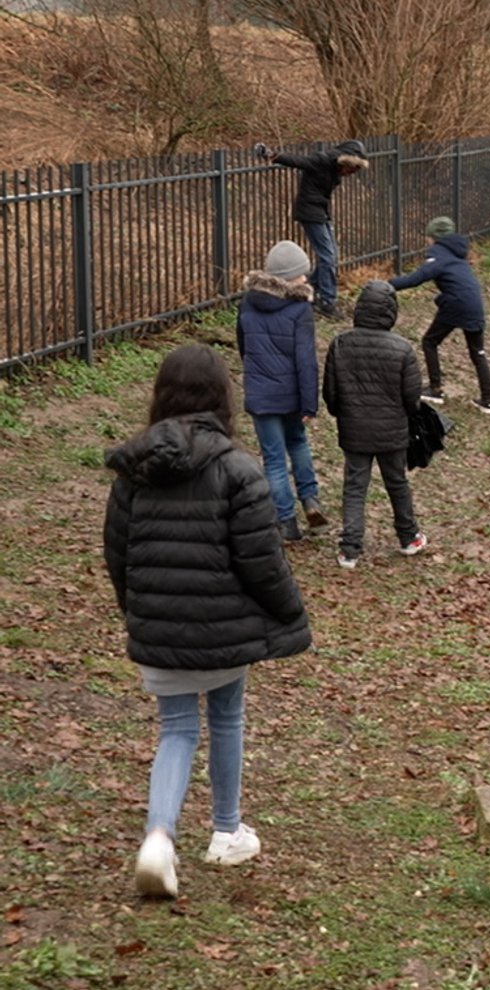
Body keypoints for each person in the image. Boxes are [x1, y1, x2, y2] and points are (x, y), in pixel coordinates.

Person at [105, 344, 311, 898]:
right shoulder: (237, 470)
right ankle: (225, 830)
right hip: (225, 630)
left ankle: (158, 837)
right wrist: (290, 611)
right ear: (222, 397)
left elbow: (117, 552)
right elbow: (262, 560)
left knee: (175, 729)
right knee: (225, 717)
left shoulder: (133, 470)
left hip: (158, 625)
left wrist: (140, 611)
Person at [323, 281, 426, 569]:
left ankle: (350, 548)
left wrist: (342, 413)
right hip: (392, 430)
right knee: (397, 483)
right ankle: (408, 537)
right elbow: (412, 398)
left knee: (355, 487)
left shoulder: (340, 344)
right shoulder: (402, 349)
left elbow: (331, 392)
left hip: (354, 428)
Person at [236, 240, 325, 542]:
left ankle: (286, 521)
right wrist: (309, 404)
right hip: (290, 394)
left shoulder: (247, 303)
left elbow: (243, 345)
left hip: (260, 393)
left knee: (273, 458)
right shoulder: (300, 309)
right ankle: (310, 499)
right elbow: (306, 362)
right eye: (302, 274)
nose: (306, 279)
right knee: (298, 443)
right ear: (290, 277)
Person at [388, 216, 490, 415]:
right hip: (474, 306)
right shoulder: (458, 255)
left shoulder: (438, 254)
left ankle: (435, 389)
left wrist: (388, 284)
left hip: (455, 306)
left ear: (434, 237)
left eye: (428, 237)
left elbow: (416, 279)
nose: (427, 241)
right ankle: (487, 401)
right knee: (478, 352)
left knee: (430, 342)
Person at [267, 139, 368, 318]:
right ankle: (327, 302)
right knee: (327, 257)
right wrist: (275, 156)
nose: (351, 173)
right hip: (309, 212)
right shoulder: (322, 160)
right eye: (352, 169)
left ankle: (306, 291)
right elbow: (299, 162)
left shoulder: (336, 169)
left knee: (331, 255)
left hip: (321, 212)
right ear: (345, 162)